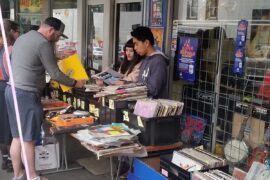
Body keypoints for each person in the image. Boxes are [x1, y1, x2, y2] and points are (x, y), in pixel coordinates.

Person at [5, 17, 86, 180]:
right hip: (26, 94)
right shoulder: (42, 43)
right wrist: (76, 83)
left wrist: (56, 57)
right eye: (58, 35)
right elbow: (55, 74)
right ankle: (33, 177)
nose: (57, 39)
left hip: (11, 90)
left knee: (17, 137)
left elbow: (31, 60)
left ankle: (18, 174)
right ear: (51, 30)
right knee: (28, 139)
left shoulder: (23, 38)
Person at [0, 19, 20, 173]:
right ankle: (11, 162)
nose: (18, 34)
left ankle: (5, 158)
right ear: (11, 32)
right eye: (17, 31)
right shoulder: (10, 49)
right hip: (6, 87)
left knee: (3, 125)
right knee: (9, 126)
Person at [131, 26, 169, 99]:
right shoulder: (145, 59)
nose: (135, 48)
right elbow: (140, 82)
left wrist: (133, 87)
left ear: (146, 43)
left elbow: (154, 89)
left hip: (153, 107)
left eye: (136, 44)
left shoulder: (158, 61)